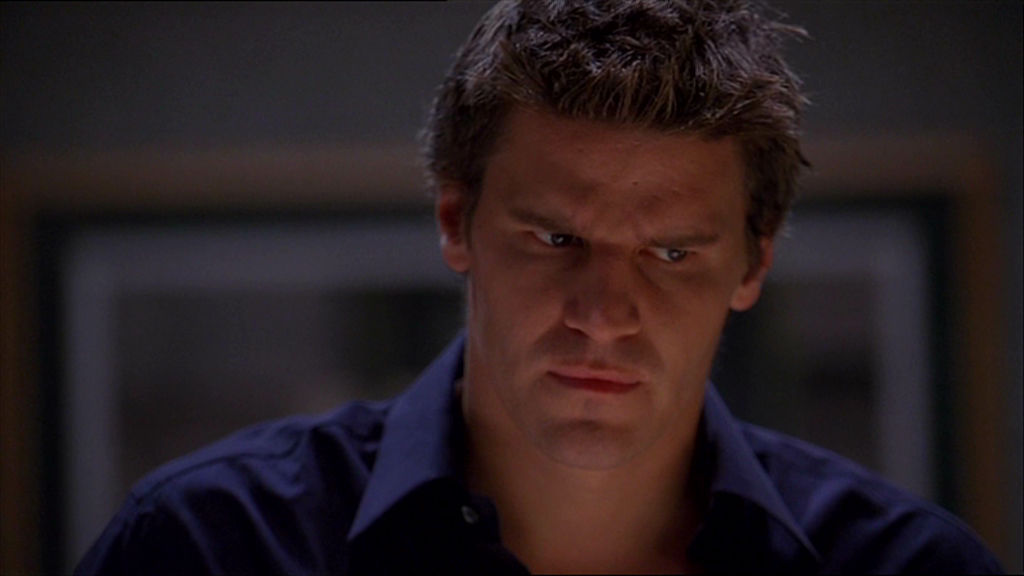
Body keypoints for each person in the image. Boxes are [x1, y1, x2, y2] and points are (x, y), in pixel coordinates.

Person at [76, 0, 1003, 573]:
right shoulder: (209, 545)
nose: (603, 315)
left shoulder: (906, 566)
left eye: (671, 254)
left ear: (753, 265)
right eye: (557, 238)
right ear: (456, 222)